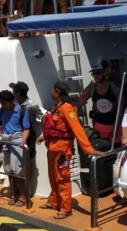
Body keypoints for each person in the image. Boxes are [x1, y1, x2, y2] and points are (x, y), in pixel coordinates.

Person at [37, 82, 103, 219]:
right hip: (52, 148)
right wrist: (44, 137)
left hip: (62, 149)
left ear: (57, 92)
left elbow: (77, 128)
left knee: (63, 179)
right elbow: (55, 128)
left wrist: (88, 149)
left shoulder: (67, 109)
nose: (50, 92)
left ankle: (66, 208)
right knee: (53, 177)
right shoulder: (56, 107)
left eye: (52, 90)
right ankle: (54, 201)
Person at [0, 90, 30, 207]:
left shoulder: (22, 111)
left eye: (5, 103)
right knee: (8, 170)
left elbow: (26, 128)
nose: (3, 105)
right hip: (5, 141)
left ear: (11, 101)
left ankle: (23, 196)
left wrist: (23, 142)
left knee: (17, 170)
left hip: (17, 141)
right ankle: (13, 195)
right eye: (1, 103)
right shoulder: (2, 110)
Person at [76, 63, 122, 142]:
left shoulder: (115, 88)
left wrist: (115, 126)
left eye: (98, 73)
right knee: (101, 149)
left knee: (117, 150)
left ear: (105, 72)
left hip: (114, 125)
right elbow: (79, 103)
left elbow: (121, 109)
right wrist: (74, 118)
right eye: (93, 73)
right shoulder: (91, 88)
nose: (95, 76)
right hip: (99, 125)